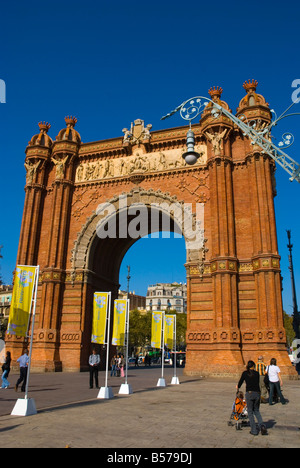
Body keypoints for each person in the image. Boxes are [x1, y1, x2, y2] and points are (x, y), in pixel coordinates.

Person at [237, 360, 268, 436]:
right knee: (257, 411)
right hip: (257, 393)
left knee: (250, 412)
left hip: (249, 393)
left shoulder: (245, 373)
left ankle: (254, 430)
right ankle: (262, 426)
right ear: (253, 366)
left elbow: (240, 382)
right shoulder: (257, 373)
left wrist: (237, 387)